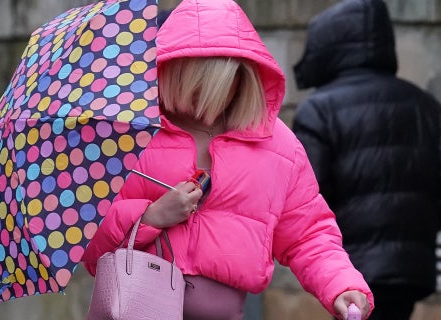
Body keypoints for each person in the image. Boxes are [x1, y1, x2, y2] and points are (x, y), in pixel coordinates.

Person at [82, 0, 374, 319]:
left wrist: (342, 285)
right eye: (197, 85)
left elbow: (308, 233)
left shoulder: (277, 144)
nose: (208, 98)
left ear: (241, 77)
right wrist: (150, 217)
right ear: (169, 71)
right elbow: (87, 234)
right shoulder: (126, 133)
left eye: (220, 84)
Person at [291, 0, 441, 319]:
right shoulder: (424, 105)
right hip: (411, 265)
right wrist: (419, 224)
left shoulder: (317, 110)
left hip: (347, 265)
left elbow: (307, 193)